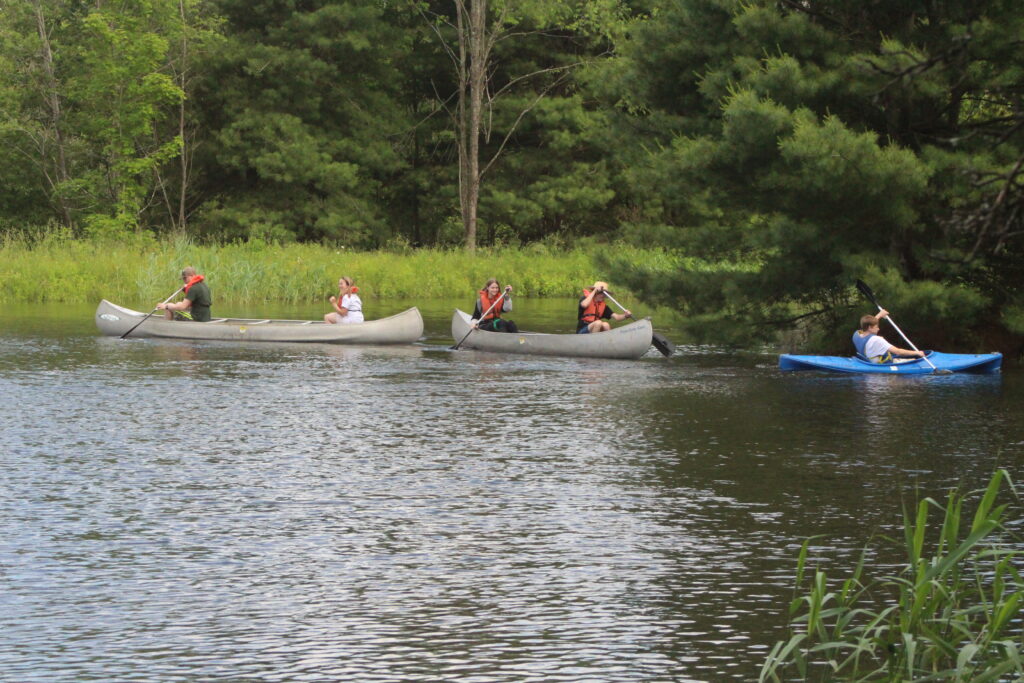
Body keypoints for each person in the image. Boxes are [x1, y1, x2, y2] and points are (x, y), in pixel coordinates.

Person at [852, 309, 926, 363]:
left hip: (868, 360)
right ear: (870, 327)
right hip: (883, 365)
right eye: (876, 327)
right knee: (914, 361)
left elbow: (868, 325)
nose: (878, 329)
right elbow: (898, 352)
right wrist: (917, 353)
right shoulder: (876, 340)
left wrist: (879, 315)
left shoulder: (857, 334)